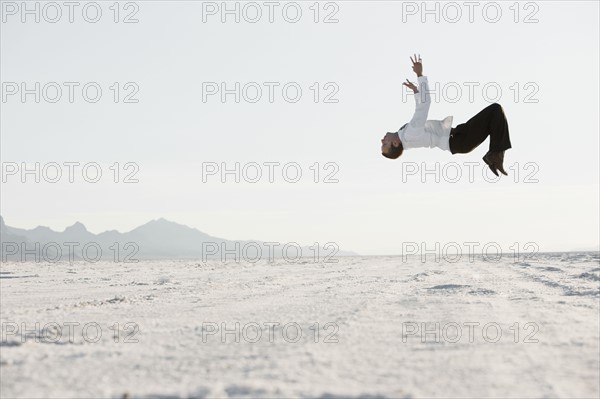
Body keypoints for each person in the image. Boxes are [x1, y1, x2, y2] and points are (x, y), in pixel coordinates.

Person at [381, 54, 512, 177]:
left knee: (494, 115)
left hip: (458, 136)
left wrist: (416, 92)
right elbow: (425, 105)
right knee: (495, 110)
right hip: (459, 141)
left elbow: (419, 109)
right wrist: (420, 75)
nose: (382, 141)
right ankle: (495, 155)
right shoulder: (410, 134)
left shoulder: (405, 134)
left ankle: (495, 155)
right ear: (395, 143)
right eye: (385, 144)